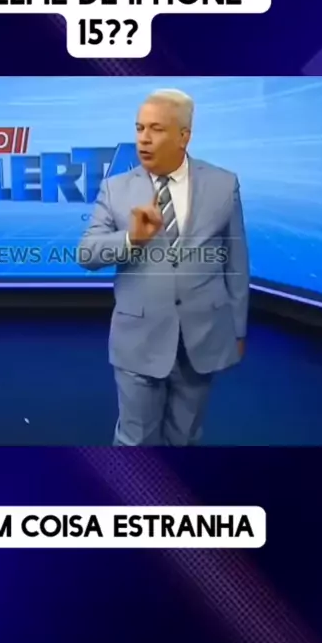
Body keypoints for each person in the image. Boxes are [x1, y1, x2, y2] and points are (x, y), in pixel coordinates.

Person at [77, 89, 249, 446]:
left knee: (186, 438)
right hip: (139, 338)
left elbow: (235, 261)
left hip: (203, 336)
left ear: (184, 136)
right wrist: (132, 238)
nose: (143, 138)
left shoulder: (223, 184)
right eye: (139, 128)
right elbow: (87, 254)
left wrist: (237, 328)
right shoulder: (115, 189)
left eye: (156, 129)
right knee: (135, 441)